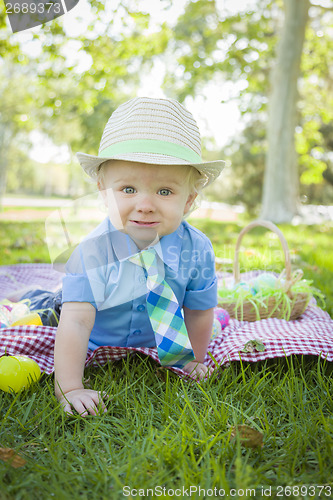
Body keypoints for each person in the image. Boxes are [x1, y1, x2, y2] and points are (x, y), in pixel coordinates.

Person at [29, 97, 225, 416]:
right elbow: (76, 321)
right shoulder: (93, 250)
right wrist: (71, 388)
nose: (145, 204)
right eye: (128, 190)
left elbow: (200, 311)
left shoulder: (197, 249)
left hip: (157, 342)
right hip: (91, 334)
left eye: (164, 192)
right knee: (46, 309)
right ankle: (31, 299)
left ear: (189, 201)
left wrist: (192, 361)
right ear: (104, 192)